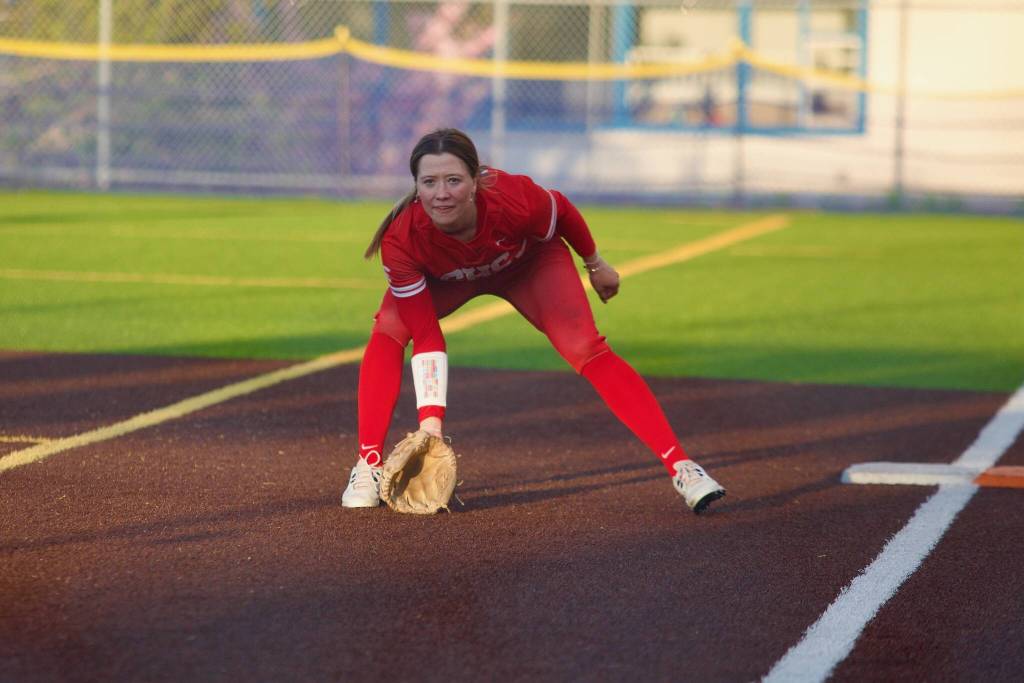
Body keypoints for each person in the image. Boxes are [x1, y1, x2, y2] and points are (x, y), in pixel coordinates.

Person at [342, 128, 725, 514]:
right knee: (391, 328)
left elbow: (563, 211)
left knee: (585, 348)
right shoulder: (401, 239)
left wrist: (596, 264)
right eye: (430, 182)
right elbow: (426, 334)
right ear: (417, 186)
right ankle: (368, 464)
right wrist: (431, 425)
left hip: (526, 265)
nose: (442, 193)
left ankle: (683, 467)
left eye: (454, 180)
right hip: (449, 278)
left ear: (475, 181)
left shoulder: (511, 197)